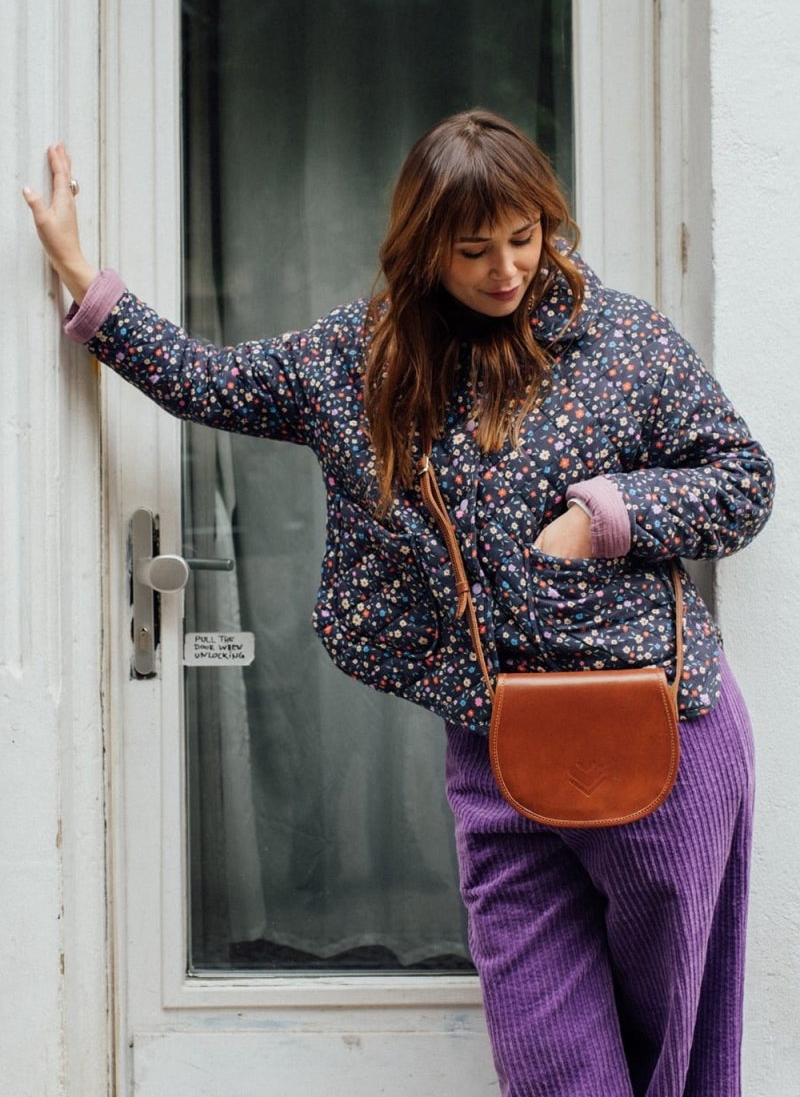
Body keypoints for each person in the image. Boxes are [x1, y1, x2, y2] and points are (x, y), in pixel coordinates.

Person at [24, 111, 774, 1097]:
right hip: (496, 750)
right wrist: (80, 271)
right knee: (553, 1060)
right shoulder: (361, 360)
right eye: (473, 249)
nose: (506, 269)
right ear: (425, 247)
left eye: (524, 238)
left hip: (661, 734)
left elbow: (742, 479)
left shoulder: (620, 338)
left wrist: (607, 516)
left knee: (675, 1054)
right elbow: (211, 382)